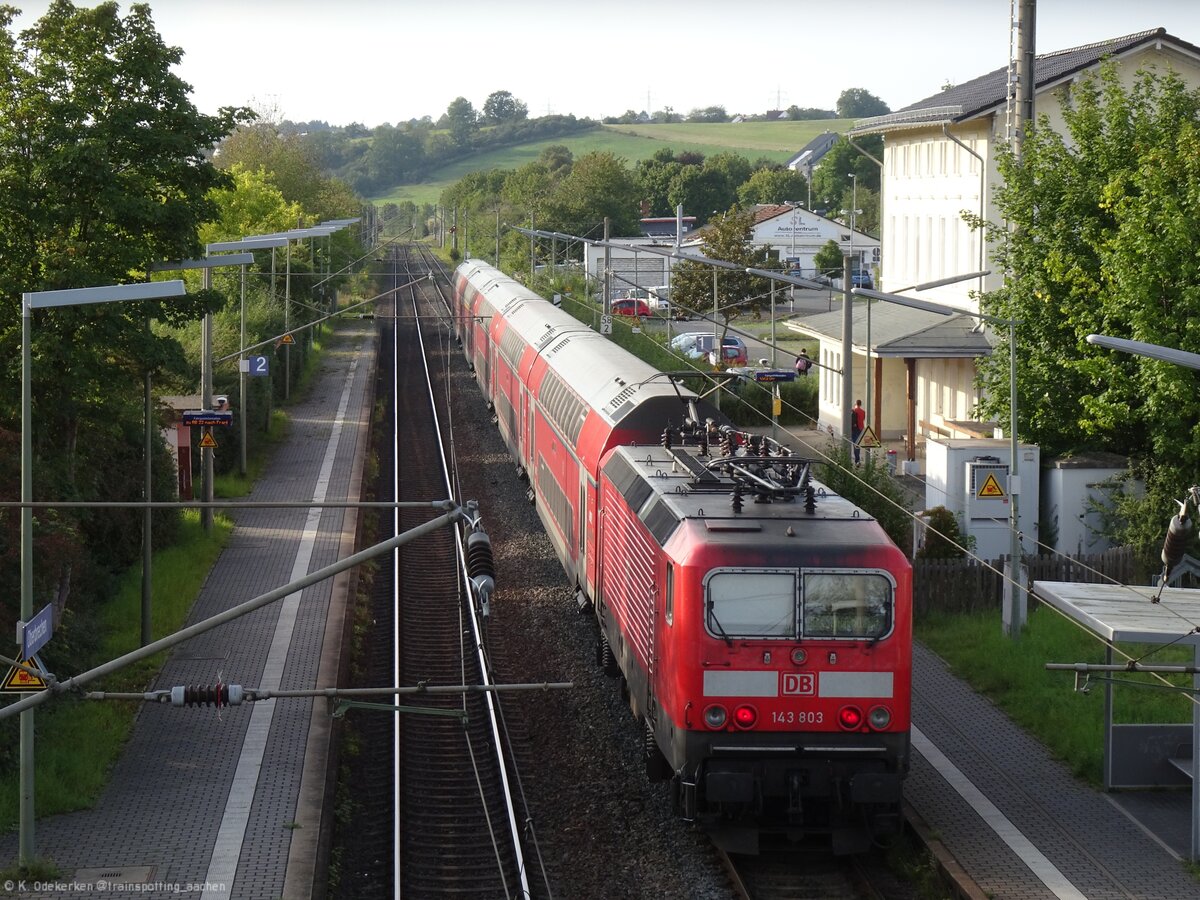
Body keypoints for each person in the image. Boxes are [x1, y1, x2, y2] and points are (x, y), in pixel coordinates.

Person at [851, 399, 866, 465]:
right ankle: (858, 460)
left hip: (855, 429)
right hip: (861, 429)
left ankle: (857, 460)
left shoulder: (853, 411)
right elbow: (863, 419)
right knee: (858, 444)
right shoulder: (863, 412)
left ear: (855, 403)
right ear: (860, 404)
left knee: (855, 444)